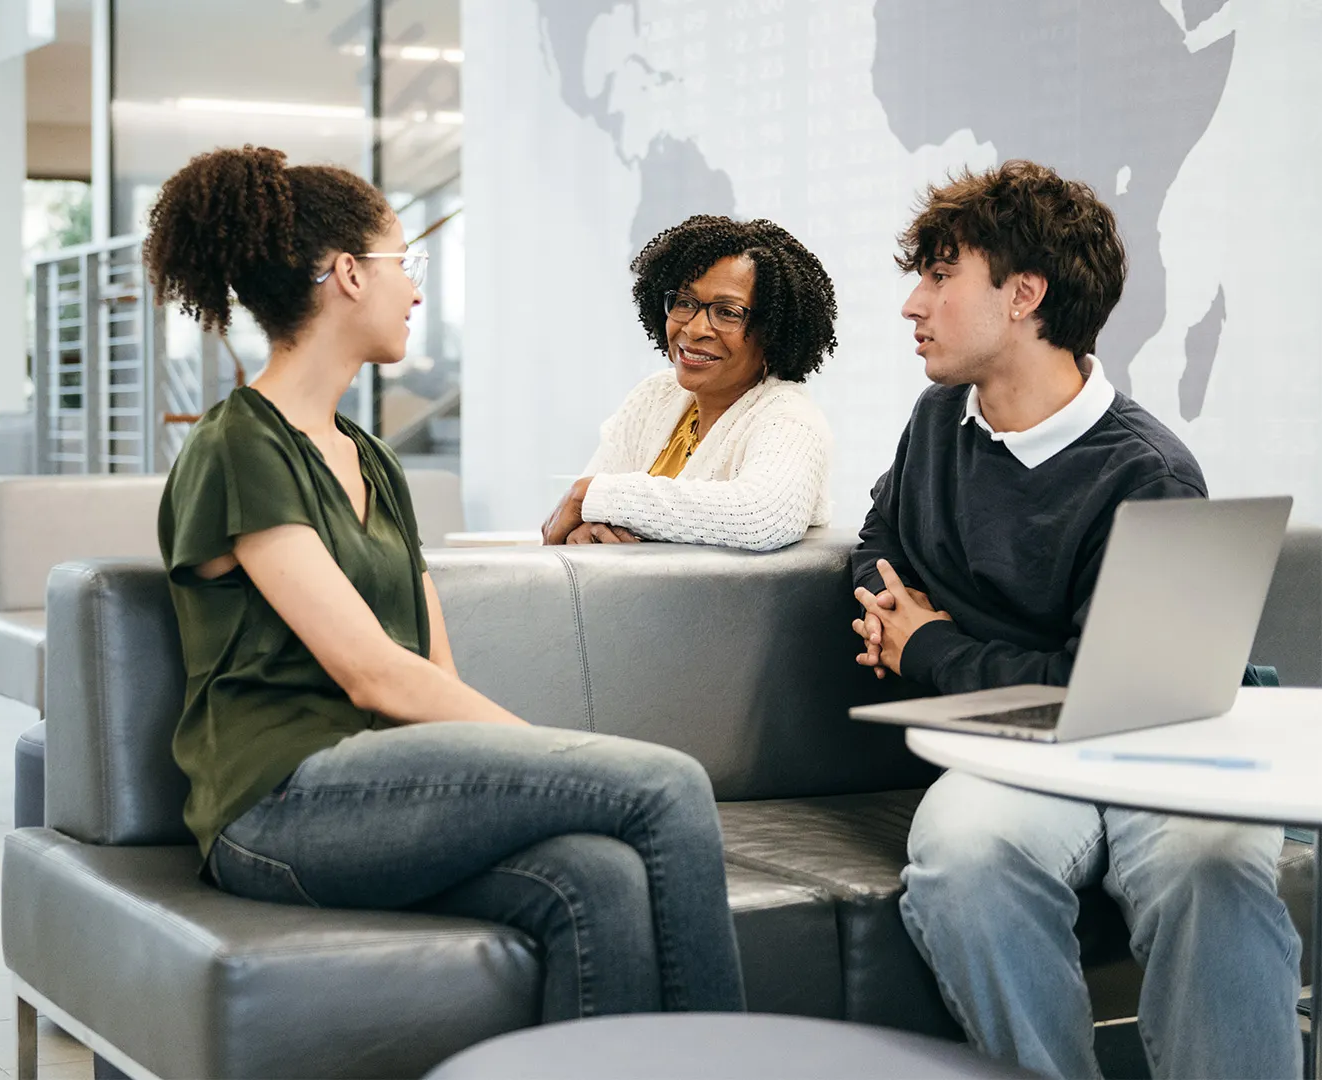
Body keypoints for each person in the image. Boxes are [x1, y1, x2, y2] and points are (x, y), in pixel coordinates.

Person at [144, 146, 744, 1022]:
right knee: (667, 785)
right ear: (348, 274)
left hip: (382, 783)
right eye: (404, 264)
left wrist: (517, 764)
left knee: (601, 878)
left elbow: (432, 668)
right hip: (277, 804)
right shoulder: (240, 445)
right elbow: (374, 675)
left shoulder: (370, 459)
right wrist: (551, 756)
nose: (417, 289)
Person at [851, 160, 1301, 1078]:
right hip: (1015, 757)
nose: (913, 304)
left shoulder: (1151, 474)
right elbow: (877, 540)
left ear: (1024, 294)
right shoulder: (935, 423)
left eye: (940, 276)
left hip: (1154, 746)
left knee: (1211, 865)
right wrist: (893, 607)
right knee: (961, 861)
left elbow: (1100, 692)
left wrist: (931, 645)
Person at [541, 215, 836, 551]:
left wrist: (594, 497)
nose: (695, 329)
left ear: (773, 333)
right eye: (684, 303)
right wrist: (586, 522)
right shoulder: (654, 396)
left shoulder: (789, 416)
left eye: (727, 312)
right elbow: (578, 519)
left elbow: (762, 517)